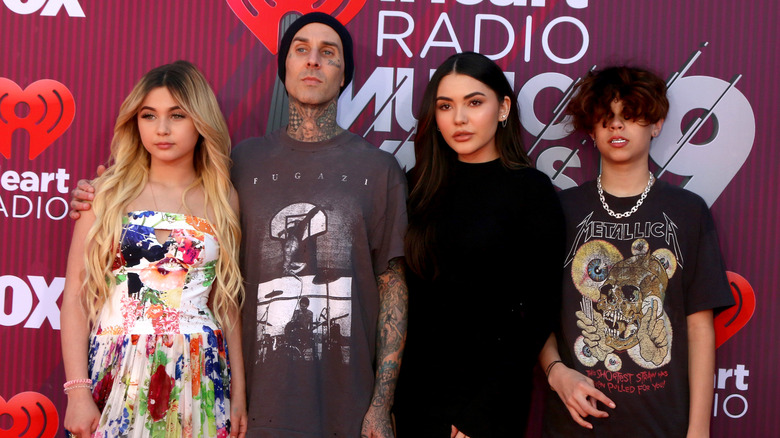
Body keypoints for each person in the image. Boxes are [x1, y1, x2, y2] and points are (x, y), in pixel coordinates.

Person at [73, 13, 409, 437]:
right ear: (284, 68)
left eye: (329, 54)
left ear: (345, 76)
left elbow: (391, 284)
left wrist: (381, 402)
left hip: (343, 400)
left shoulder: (378, 170)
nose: (312, 62)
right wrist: (99, 194)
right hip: (239, 396)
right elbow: (172, 198)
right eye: (300, 50)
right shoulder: (236, 166)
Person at [538, 66, 735, 437]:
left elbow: (699, 327)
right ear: (591, 127)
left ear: (656, 123)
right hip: (575, 426)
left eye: (629, 115)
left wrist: (699, 430)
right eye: (606, 118)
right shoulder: (561, 210)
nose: (616, 127)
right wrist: (555, 371)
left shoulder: (687, 211)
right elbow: (535, 312)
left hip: (663, 424)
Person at [60, 61, 247, 438]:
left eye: (177, 115)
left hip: (199, 372)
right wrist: (77, 392)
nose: (161, 129)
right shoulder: (106, 194)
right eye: (149, 115)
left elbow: (226, 304)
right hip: (117, 368)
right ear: (136, 122)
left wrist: (240, 393)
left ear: (200, 120)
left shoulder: (222, 196)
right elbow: (76, 299)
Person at [393, 52, 565, 437]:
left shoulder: (531, 192)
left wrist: (481, 414)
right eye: (445, 106)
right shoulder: (414, 187)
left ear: (503, 108)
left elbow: (539, 314)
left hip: (490, 405)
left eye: (474, 102)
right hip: (413, 401)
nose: (459, 118)